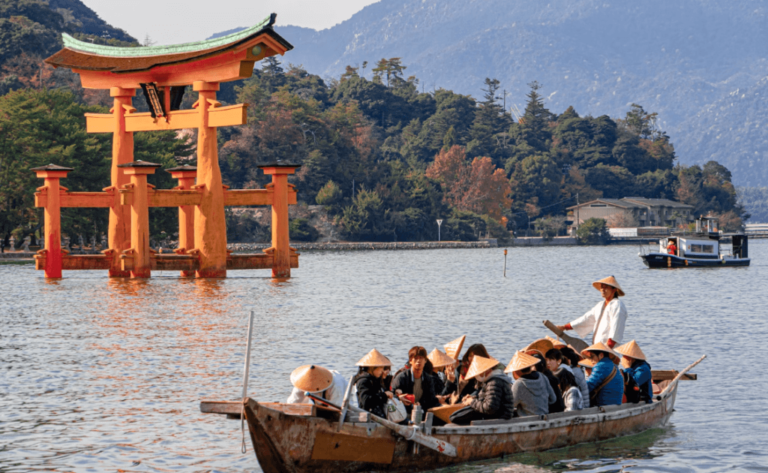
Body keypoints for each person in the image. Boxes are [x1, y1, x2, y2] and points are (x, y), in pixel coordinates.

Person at [555, 276, 628, 349]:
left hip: (608, 349)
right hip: (597, 347)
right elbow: (586, 319)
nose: (602, 289)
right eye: (601, 287)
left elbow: (616, 327)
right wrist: (565, 327)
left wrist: (608, 347)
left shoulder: (617, 305)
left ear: (614, 290)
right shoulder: (600, 305)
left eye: (606, 287)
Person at [448, 356, 514, 425]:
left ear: (487, 370)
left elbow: (490, 408)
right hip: (496, 415)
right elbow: (489, 400)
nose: (478, 375)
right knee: (455, 416)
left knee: (455, 418)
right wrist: (473, 398)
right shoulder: (492, 380)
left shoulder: (494, 382)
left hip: (498, 418)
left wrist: (472, 402)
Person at [506, 351, 556, 417]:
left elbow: (510, 405)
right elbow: (553, 399)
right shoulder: (543, 377)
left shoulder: (519, 384)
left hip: (527, 420)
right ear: (531, 365)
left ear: (517, 370)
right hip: (544, 417)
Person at [391, 346, 440, 412]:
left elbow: (431, 400)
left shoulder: (428, 379)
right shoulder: (401, 378)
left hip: (421, 411)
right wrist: (399, 398)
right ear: (410, 361)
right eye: (415, 358)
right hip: (404, 412)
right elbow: (392, 395)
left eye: (421, 358)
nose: (418, 361)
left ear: (425, 361)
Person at [353, 349, 394, 418]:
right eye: (381, 367)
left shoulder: (374, 379)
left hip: (377, 415)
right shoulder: (364, 381)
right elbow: (365, 401)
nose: (382, 370)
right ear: (373, 367)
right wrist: (384, 395)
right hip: (367, 417)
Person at [582, 342, 624, 407]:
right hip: (616, 404)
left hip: (604, 405)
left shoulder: (600, 366)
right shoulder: (614, 366)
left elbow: (589, 385)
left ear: (601, 355)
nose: (591, 360)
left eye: (592, 356)